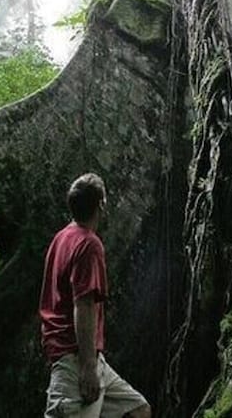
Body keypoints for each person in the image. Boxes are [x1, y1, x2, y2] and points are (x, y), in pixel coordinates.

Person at [38, 173, 151, 418]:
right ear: (101, 204)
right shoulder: (89, 244)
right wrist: (87, 367)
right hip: (75, 357)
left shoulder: (62, 237)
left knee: (138, 410)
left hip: (85, 357)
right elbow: (84, 305)